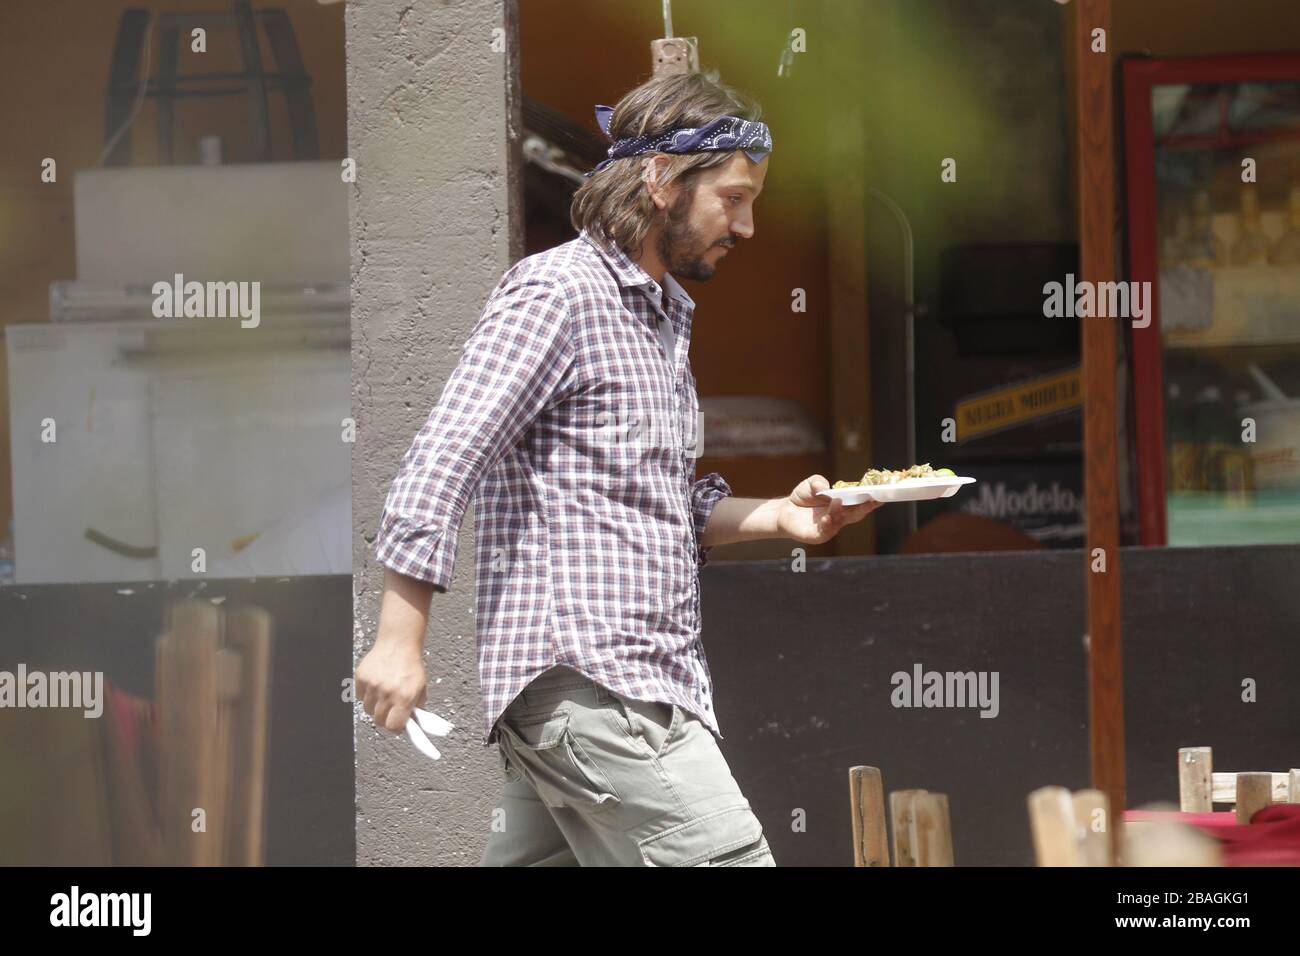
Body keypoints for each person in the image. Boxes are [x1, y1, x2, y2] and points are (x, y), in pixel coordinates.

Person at [356, 69, 878, 866]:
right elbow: (442, 456)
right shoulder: (557, 293)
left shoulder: (663, 315)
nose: (747, 227)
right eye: (733, 199)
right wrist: (399, 638)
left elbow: (657, 504)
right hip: (600, 688)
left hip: (616, 692)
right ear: (663, 180)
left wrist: (783, 516)